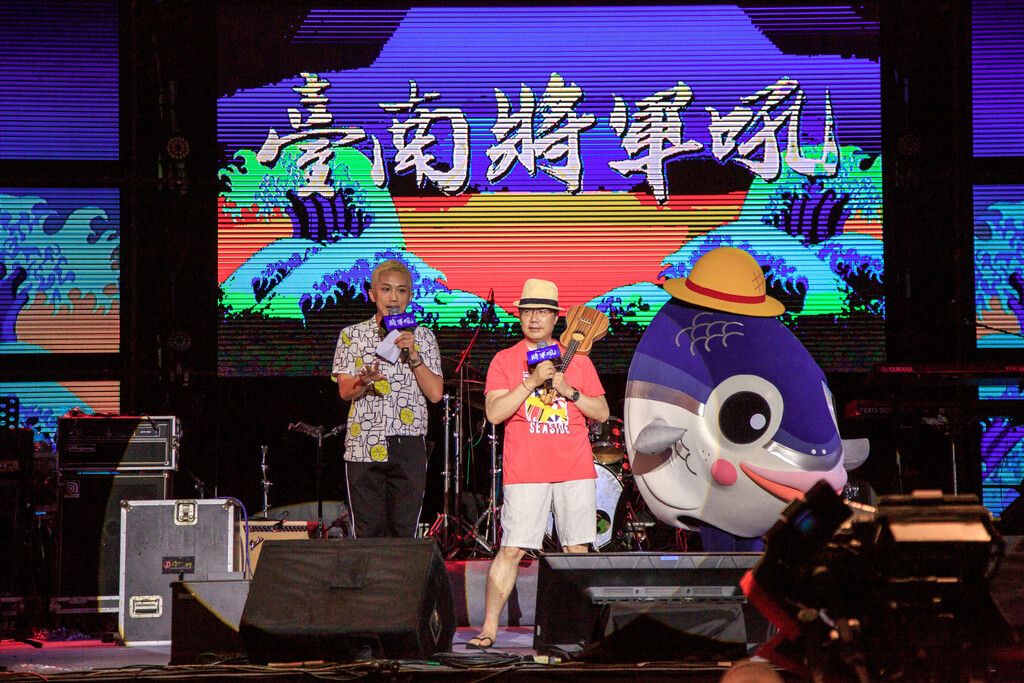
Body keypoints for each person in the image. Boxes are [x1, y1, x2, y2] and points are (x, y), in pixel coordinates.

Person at [467, 279, 609, 649]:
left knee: (577, 550)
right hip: (526, 469)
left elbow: (602, 411)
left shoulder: (578, 358)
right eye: (528, 311)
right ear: (519, 315)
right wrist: (531, 382)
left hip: (574, 467)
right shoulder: (505, 360)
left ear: (556, 317)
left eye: (543, 311)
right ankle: (489, 629)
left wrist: (569, 391)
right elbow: (495, 413)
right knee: (512, 549)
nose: (534, 318)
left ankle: (579, 631)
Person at [331, 259, 443, 538]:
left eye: (401, 290)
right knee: (368, 535)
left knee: (404, 534)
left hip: (408, 445)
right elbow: (345, 391)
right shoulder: (351, 335)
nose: (394, 297)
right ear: (373, 294)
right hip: (364, 443)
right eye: (386, 289)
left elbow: (435, 394)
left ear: (410, 296)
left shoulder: (423, 336)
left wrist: (413, 354)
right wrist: (363, 382)